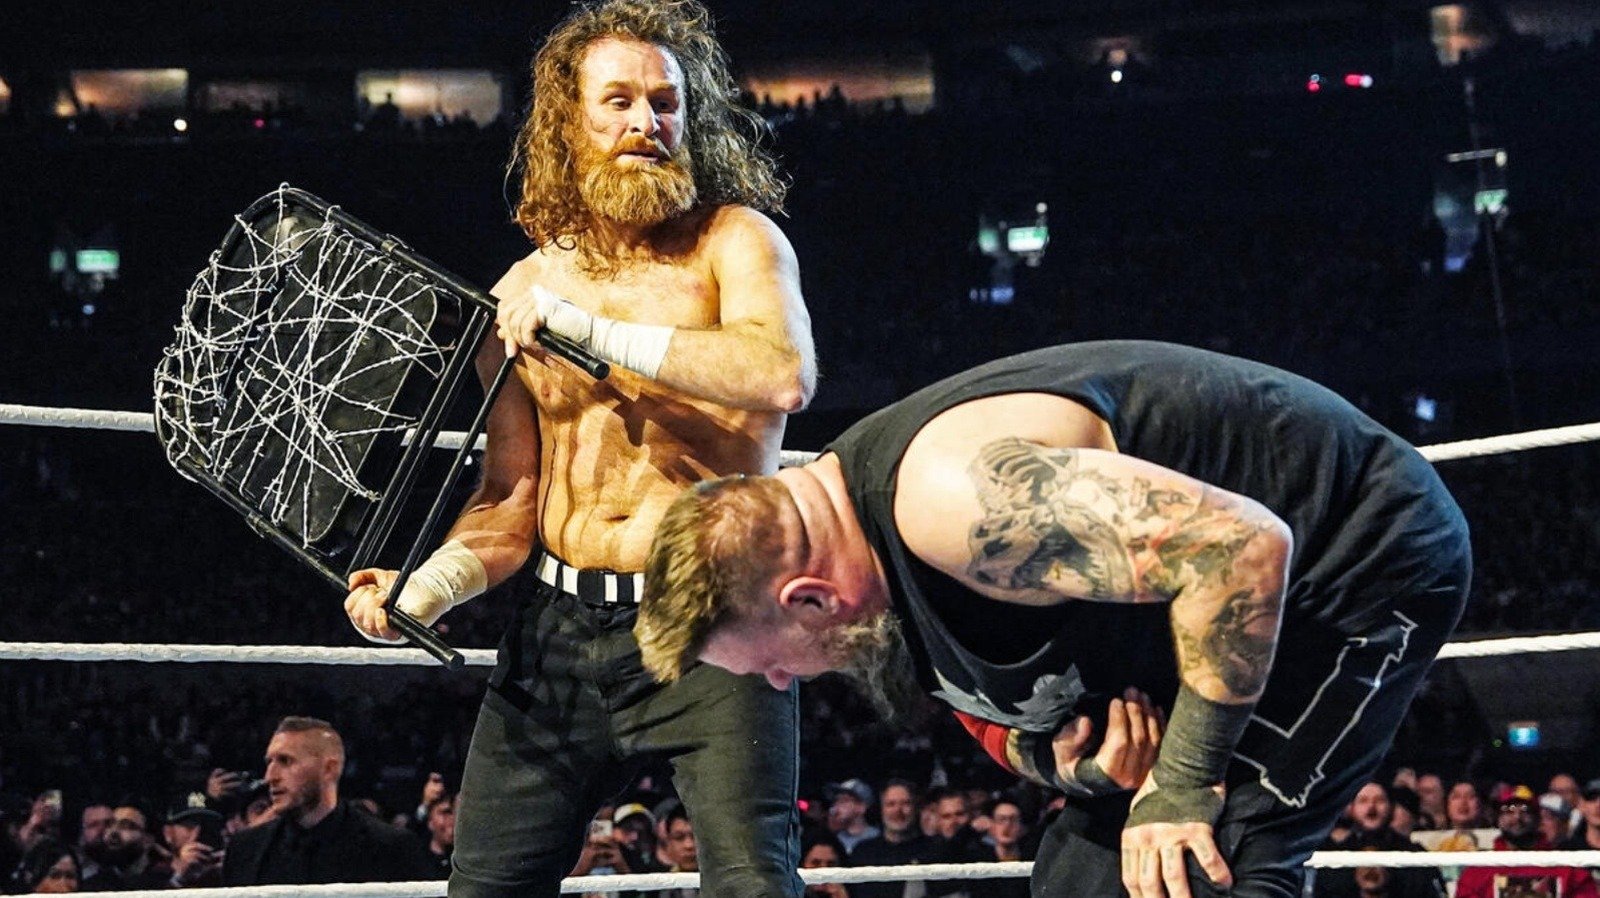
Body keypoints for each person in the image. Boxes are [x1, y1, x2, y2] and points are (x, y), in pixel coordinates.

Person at [637, 341, 1472, 898]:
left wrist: (1183, 782)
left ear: (808, 599)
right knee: (1083, 873)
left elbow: (1237, 551)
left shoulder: (956, 502)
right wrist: (1075, 766)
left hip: (1354, 552)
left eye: (769, 661)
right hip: (1203, 609)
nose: (780, 679)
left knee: (1208, 859)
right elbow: (983, 701)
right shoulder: (862, 547)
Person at [342, 1, 816, 896]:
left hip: (712, 618)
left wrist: (589, 332)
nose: (647, 123)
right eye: (619, 101)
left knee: (753, 883)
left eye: (666, 103)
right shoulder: (524, 290)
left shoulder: (734, 242)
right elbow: (509, 497)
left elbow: (781, 375)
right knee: (487, 885)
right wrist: (426, 591)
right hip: (556, 630)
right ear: (570, 122)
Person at [222, 716, 433, 885]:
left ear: (329, 769)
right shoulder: (245, 849)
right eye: (269, 762)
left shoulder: (392, 848)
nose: (270, 777)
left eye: (285, 761)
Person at [1455, 785, 1598, 898]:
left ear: (1538, 818)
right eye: (1509, 810)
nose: (1517, 817)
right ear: (1497, 818)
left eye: (1525, 810)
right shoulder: (1477, 872)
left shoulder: (1566, 868)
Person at [850, 779, 931, 898]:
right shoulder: (862, 853)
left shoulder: (935, 850)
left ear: (916, 807)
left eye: (905, 803)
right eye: (891, 804)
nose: (898, 811)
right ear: (882, 809)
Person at [826, 780, 881, 853]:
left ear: (861, 807)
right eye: (836, 801)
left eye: (843, 800)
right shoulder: (834, 840)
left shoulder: (877, 838)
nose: (836, 806)